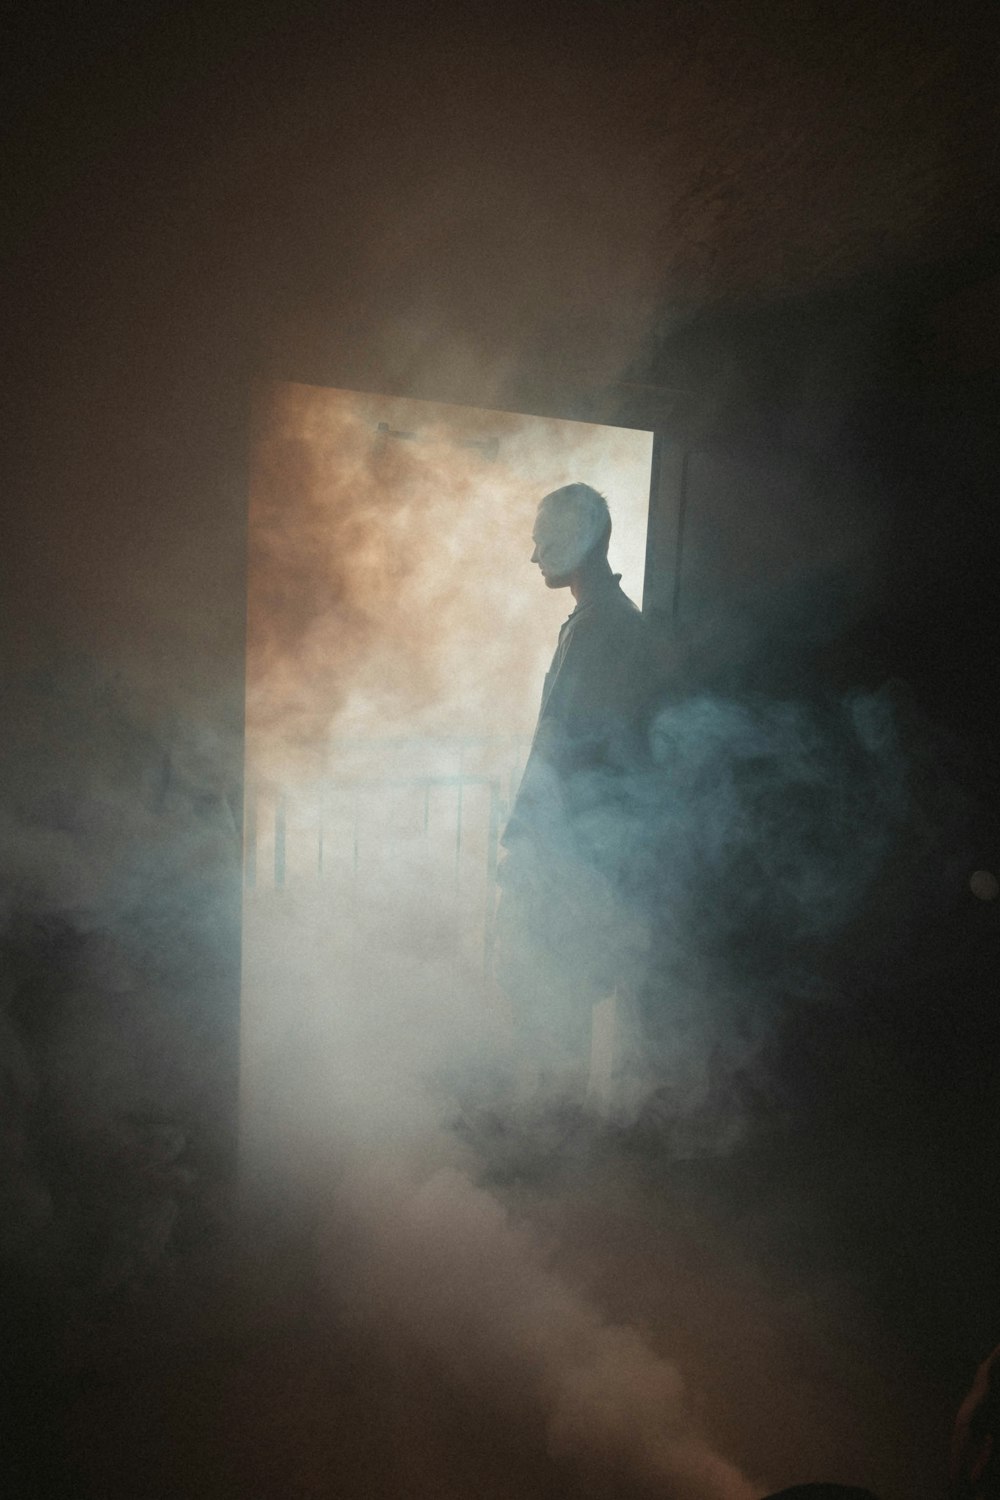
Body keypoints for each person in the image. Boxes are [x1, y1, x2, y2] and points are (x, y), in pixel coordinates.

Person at [494, 483, 653, 1102]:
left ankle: (558, 1146)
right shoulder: (608, 622)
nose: (534, 555)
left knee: (555, 997)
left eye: (542, 540)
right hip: (589, 848)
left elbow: (562, 753)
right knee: (563, 993)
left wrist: (527, 847)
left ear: (577, 541)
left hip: (574, 852)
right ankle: (561, 1140)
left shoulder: (599, 631)